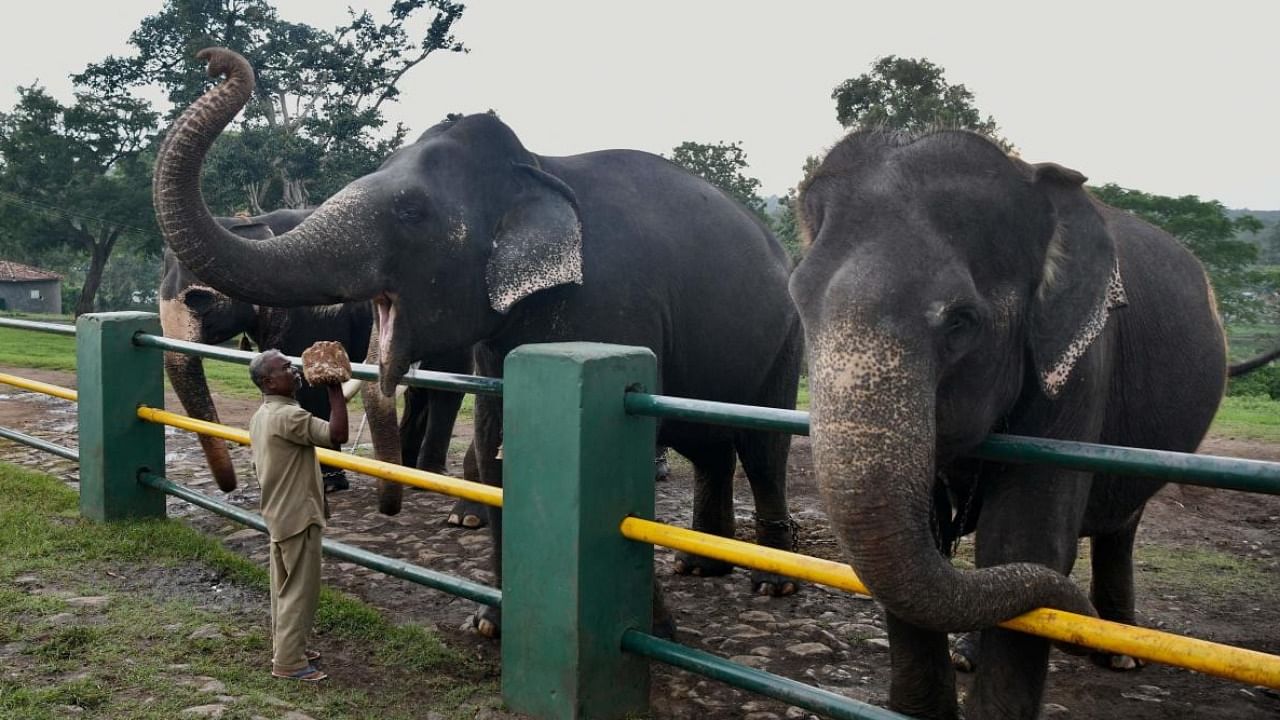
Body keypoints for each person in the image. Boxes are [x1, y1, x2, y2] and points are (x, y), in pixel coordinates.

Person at [248, 347, 349, 682]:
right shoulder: (290, 418)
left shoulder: (263, 415)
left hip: (278, 512)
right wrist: (334, 388)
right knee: (300, 591)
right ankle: (289, 663)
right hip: (299, 515)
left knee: (283, 585)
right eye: (284, 368)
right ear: (268, 382)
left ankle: (287, 645)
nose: (293, 371)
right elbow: (337, 436)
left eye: (291, 366)